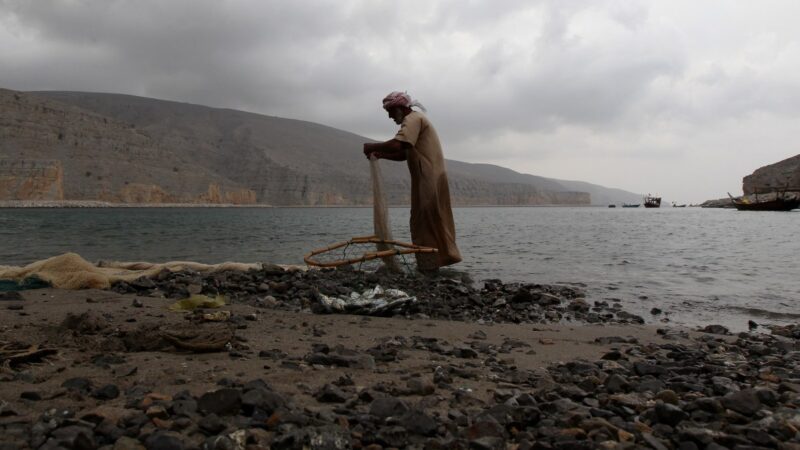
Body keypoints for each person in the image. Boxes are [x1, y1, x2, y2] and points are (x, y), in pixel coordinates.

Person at [363, 91, 462, 271]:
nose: (390, 116)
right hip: (427, 178)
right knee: (430, 220)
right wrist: (382, 155)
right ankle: (434, 262)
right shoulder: (415, 121)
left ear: (400, 108)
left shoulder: (413, 120)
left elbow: (398, 144)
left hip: (428, 179)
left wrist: (372, 146)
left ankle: (429, 266)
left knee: (423, 222)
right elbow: (404, 152)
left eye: (391, 111)